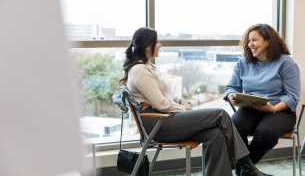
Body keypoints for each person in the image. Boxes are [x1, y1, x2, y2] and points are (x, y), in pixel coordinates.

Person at [119, 27, 267, 176]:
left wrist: (181, 100)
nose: (160, 45)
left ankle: (239, 168)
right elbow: (160, 104)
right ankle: (248, 167)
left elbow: (166, 93)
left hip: (167, 119)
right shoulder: (140, 71)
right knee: (220, 114)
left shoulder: (149, 67)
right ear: (146, 45)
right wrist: (183, 110)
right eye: (157, 42)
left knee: (215, 134)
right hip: (159, 125)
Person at [224, 24, 301, 176]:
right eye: (249, 41)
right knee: (233, 126)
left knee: (266, 132)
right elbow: (231, 87)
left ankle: (244, 170)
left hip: (280, 110)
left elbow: (293, 96)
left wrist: (272, 109)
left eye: (254, 40)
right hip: (250, 108)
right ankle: (250, 172)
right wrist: (231, 95)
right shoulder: (243, 63)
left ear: (268, 41)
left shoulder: (286, 62)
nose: (250, 44)